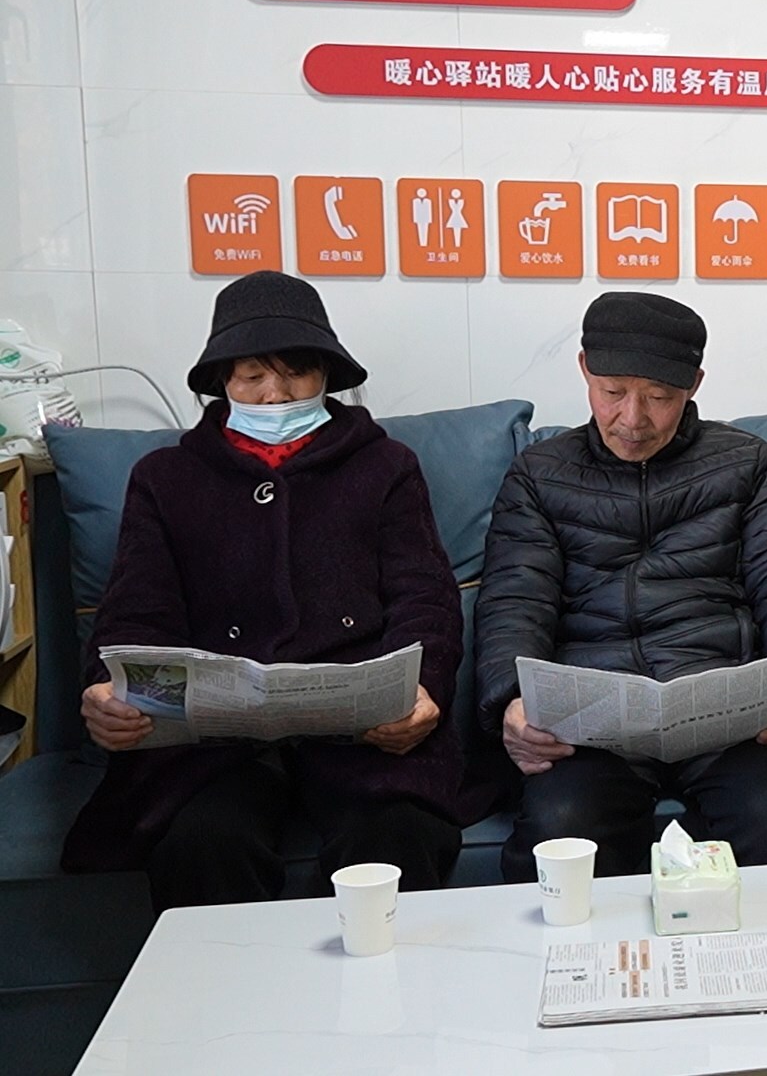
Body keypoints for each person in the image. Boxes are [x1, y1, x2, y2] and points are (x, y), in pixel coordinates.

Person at [63, 270, 470, 911]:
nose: (275, 394)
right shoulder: (165, 478)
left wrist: (424, 691)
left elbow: (426, 599)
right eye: (252, 375)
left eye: (296, 373)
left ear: (326, 375)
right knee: (202, 844)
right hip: (214, 749)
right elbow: (134, 614)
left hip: (361, 737)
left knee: (396, 839)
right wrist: (110, 695)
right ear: (222, 381)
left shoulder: (385, 466)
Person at [476, 292, 767, 882]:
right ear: (584, 370)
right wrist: (511, 702)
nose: (632, 419)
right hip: (592, 718)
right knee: (561, 828)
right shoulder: (539, 474)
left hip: (727, 712)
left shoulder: (749, 466)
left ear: (694, 385)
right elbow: (515, 601)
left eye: (659, 397)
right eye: (613, 392)